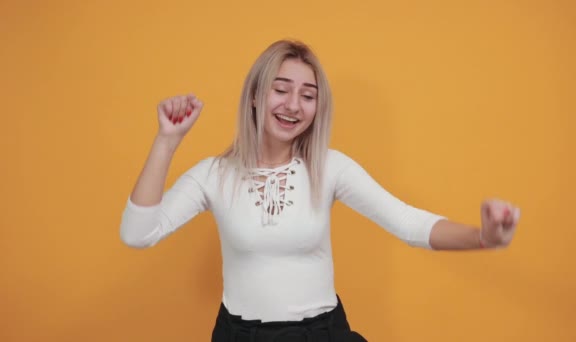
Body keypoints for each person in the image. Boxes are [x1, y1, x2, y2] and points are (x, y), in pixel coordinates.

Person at [119, 39, 520, 342]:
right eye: (281, 89)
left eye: (308, 96)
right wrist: (167, 141)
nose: (293, 105)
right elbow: (137, 234)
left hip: (322, 333)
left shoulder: (329, 167)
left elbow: (409, 223)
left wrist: (484, 236)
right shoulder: (214, 175)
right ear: (256, 95)